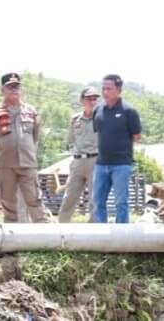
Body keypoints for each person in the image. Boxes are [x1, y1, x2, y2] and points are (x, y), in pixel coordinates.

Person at [0, 73, 48, 223]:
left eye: (17, 86)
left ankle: (45, 235)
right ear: (3, 90)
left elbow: (35, 137)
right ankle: (11, 238)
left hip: (28, 163)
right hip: (5, 165)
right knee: (8, 203)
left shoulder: (32, 112)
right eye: (10, 86)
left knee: (35, 200)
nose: (14, 89)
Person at [92, 74, 141, 223]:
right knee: (98, 202)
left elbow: (136, 136)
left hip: (121, 164)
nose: (105, 91)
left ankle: (122, 236)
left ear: (119, 90)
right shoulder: (98, 110)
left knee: (121, 202)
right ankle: (101, 236)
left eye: (109, 88)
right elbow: (99, 133)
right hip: (101, 164)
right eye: (103, 88)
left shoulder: (129, 111)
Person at [58, 87, 100, 223]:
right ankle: (61, 228)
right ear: (82, 100)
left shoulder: (102, 118)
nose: (92, 101)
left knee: (95, 197)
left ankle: (93, 231)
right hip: (77, 161)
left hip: (95, 159)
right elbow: (71, 139)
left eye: (95, 98)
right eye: (89, 98)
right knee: (69, 196)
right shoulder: (75, 119)